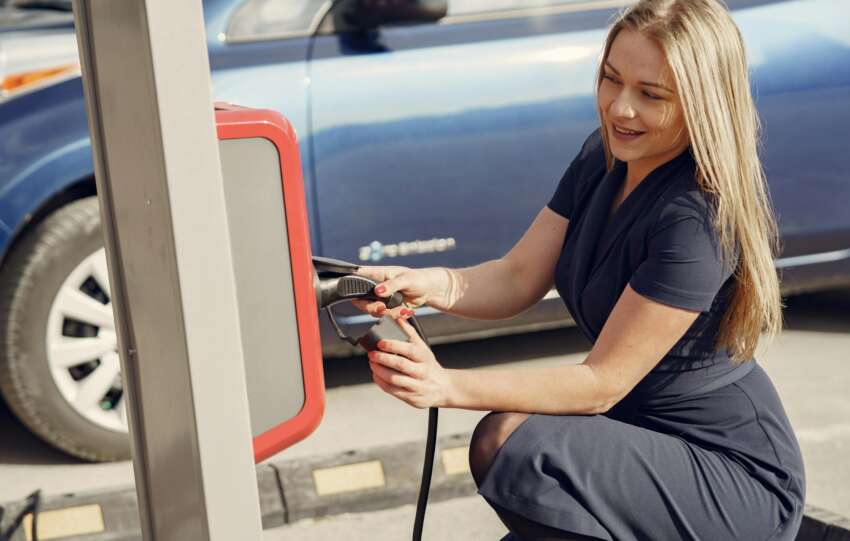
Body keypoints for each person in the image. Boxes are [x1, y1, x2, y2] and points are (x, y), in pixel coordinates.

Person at [352, 0, 805, 539]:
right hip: (635, 438)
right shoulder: (605, 158)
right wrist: (430, 285)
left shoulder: (696, 219)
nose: (620, 109)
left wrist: (444, 385)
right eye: (611, 80)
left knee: (511, 443)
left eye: (651, 95)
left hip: (728, 474)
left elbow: (599, 385)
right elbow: (519, 275)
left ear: (701, 105)